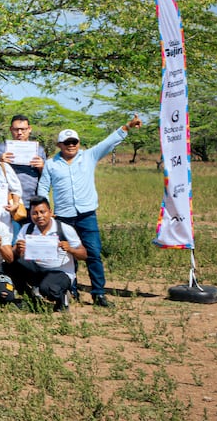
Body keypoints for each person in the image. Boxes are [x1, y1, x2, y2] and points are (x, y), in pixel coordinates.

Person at [36, 116, 142, 307]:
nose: (71, 145)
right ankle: (71, 290)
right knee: (69, 254)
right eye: (67, 143)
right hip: (64, 216)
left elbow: (108, 142)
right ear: (59, 144)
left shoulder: (89, 156)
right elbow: (43, 187)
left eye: (74, 142)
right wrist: (45, 209)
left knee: (93, 252)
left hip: (87, 215)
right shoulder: (51, 164)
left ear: (79, 143)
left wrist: (127, 126)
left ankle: (98, 293)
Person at [13, 198, 87, 311]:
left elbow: (84, 254)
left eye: (43, 212)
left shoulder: (64, 229)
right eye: (34, 213)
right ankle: (32, 297)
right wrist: (18, 249)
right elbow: (13, 253)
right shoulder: (27, 229)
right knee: (9, 264)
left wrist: (71, 249)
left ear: (50, 212)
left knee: (48, 289)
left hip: (61, 272)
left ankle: (62, 297)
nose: (39, 216)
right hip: (38, 269)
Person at [2, 115, 45, 203]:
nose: (20, 132)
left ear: (29, 129)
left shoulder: (39, 150)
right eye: (16, 129)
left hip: (31, 199)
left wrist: (42, 167)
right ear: (10, 129)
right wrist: (0, 162)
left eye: (23, 129)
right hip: (7, 199)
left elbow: (46, 179)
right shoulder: (2, 149)